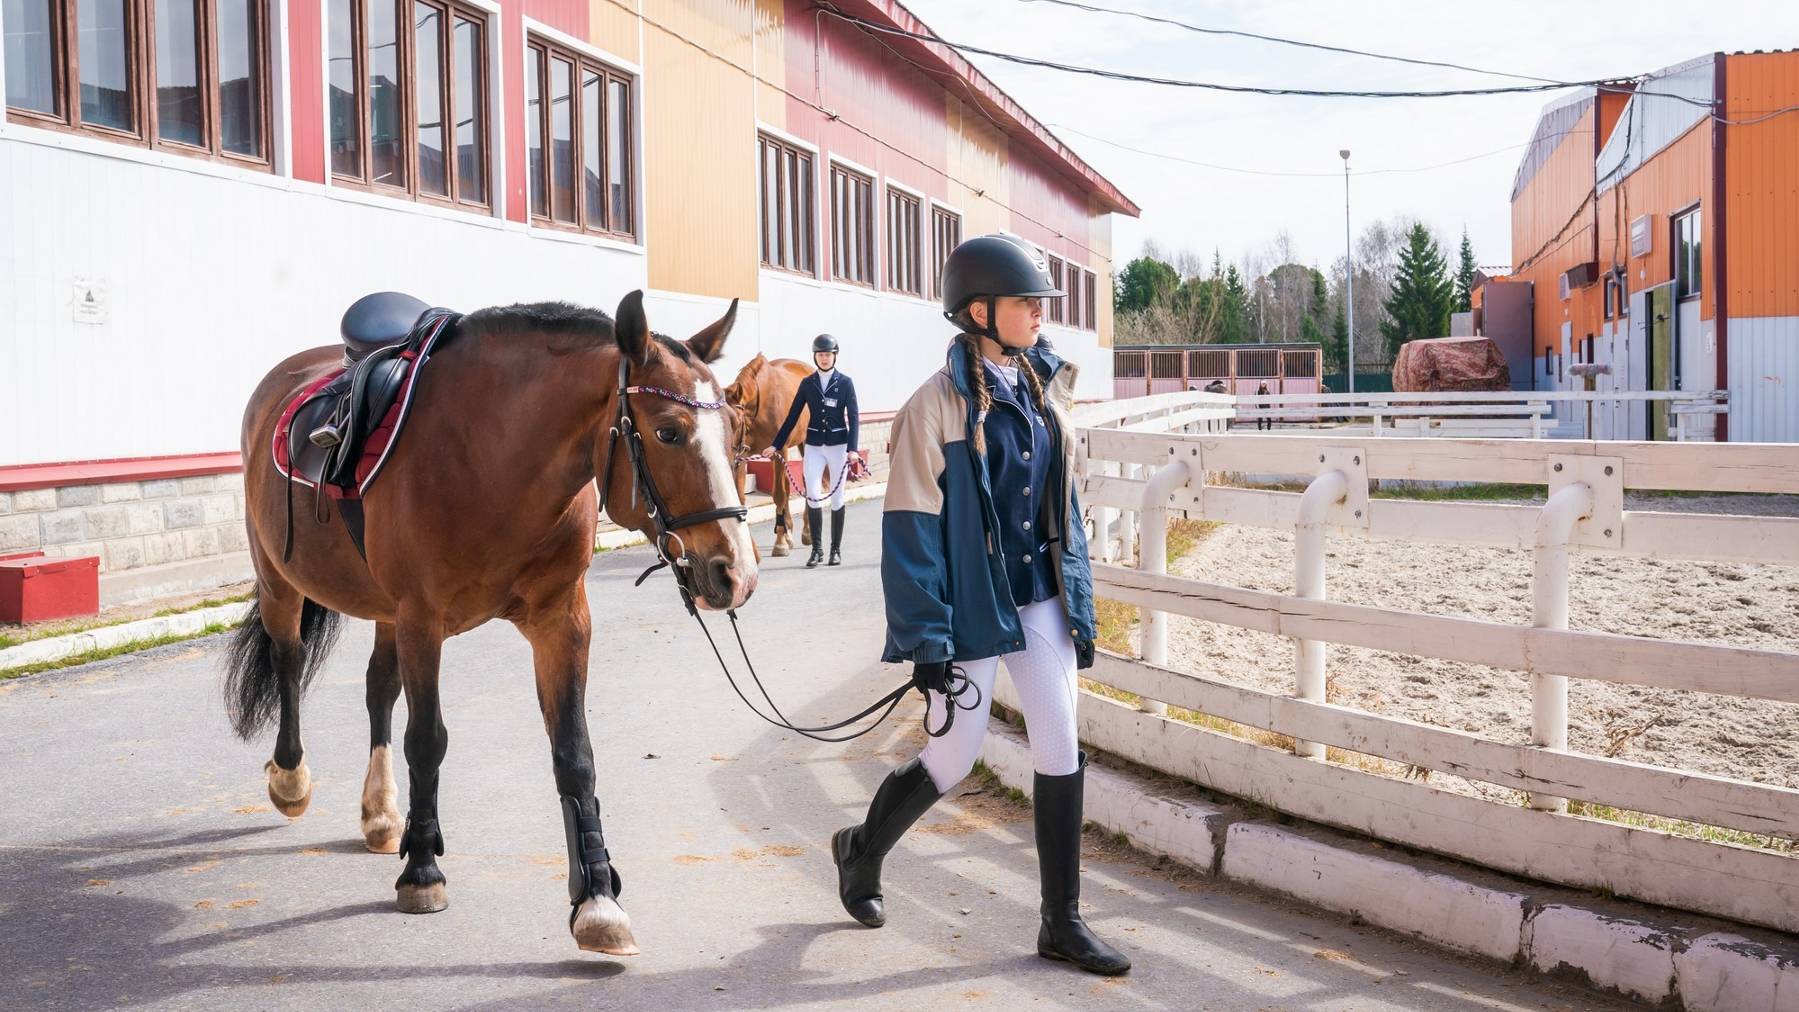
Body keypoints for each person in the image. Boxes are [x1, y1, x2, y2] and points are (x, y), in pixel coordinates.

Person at [828, 234, 1130, 976]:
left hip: (1040, 603)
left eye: (1039, 303)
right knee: (954, 756)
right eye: (1026, 301)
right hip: (970, 609)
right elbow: (910, 533)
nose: (1038, 312)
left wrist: (1078, 602)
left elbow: (1065, 513)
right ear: (976, 311)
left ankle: (1060, 923)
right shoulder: (933, 408)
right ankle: (860, 852)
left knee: (1059, 746)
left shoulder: (1041, 389)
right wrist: (925, 638)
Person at [763, 334, 859, 568]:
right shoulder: (807, 383)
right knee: (813, 496)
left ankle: (835, 551)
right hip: (814, 446)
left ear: (834, 356)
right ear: (815, 357)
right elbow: (792, 416)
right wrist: (776, 444)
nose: (824, 358)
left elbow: (854, 418)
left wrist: (853, 449)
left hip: (838, 447)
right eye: (820, 355)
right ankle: (816, 550)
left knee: (837, 498)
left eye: (828, 355)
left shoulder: (845, 383)